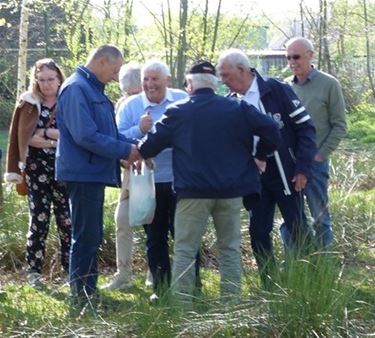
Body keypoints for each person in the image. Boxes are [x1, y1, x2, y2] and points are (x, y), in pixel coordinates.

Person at [138, 60, 280, 308]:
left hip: (193, 194)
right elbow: (272, 130)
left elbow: (150, 146)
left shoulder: (178, 111)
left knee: (184, 250)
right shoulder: (237, 108)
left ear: (189, 84)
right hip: (231, 192)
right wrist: (259, 155)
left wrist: (136, 149)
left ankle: (183, 307)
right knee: (230, 250)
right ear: (215, 85)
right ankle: (231, 304)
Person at [217, 49, 317, 285]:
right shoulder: (230, 103)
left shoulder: (276, 89)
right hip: (254, 178)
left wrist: (303, 167)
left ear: (242, 70)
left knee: (298, 227)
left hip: (287, 173)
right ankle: (269, 284)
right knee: (258, 232)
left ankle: (313, 280)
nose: (223, 81)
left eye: (226, 75)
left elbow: (306, 128)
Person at [56, 45, 140, 312]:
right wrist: (126, 150)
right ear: (102, 61)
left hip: (90, 172)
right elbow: (86, 136)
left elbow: (110, 133)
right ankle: (80, 297)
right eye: (115, 70)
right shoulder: (76, 88)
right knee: (85, 236)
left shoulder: (92, 89)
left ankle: (88, 292)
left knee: (91, 235)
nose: (116, 78)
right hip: (81, 174)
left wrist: (138, 146)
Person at [117, 59, 189, 302]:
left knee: (184, 234)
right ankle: (162, 288)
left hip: (181, 180)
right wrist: (138, 129)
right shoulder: (130, 106)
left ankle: (190, 286)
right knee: (155, 236)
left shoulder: (181, 99)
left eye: (154, 79)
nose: (149, 84)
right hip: (147, 183)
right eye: (145, 79)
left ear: (167, 81)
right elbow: (116, 139)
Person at [4, 58, 71, 288]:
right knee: (38, 221)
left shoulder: (69, 99)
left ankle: (70, 270)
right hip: (35, 171)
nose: (46, 84)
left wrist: (47, 137)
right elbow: (23, 138)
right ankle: (34, 271)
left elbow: (71, 135)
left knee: (67, 220)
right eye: (41, 80)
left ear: (59, 78)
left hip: (65, 169)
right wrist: (50, 135)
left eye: (50, 79)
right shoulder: (28, 103)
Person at [282, 37, 347, 248]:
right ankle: (296, 261)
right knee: (290, 216)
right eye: (288, 57)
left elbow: (340, 126)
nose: (292, 61)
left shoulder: (329, 84)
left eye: (297, 56)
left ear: (310, 55)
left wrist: (320, 155)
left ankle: (322, 265)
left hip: (315, 163)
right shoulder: (285, 87)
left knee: (320, 217)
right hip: (290, 163)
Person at [102, 61, 145, 290]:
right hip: (130, 172)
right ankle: (124, 273)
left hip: (154, 173)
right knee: (123, 221)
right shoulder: (123, 105)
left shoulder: (158, 101)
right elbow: (116, 136)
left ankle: (155, 272)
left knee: (154, 224)